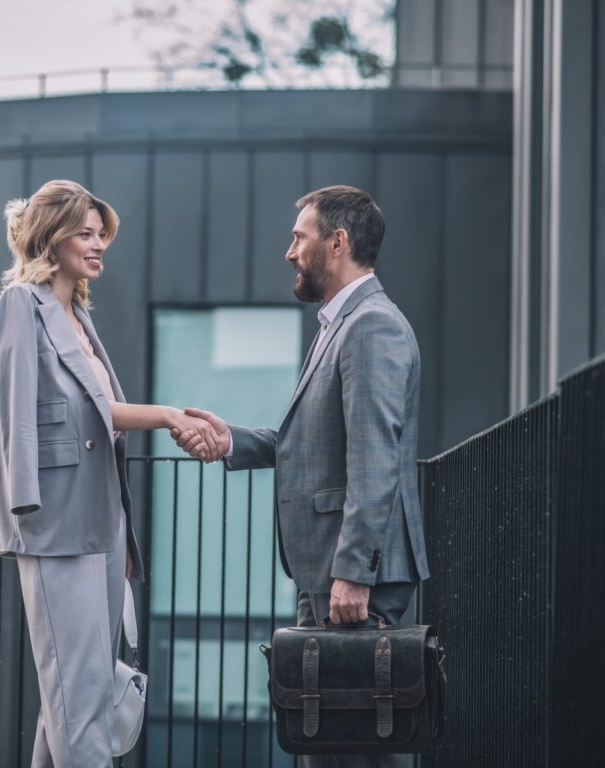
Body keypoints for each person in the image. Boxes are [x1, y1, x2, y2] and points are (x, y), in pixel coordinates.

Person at [176, 185, 430, 768]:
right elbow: (315, 443)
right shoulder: (340, 324)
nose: (289, 252)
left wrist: (352, 575)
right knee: (329, 748)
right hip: (331, 575)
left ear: (337, 243)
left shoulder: (371, 326)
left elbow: (375, 455)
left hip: (351, 582)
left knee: (355, 752)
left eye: (300, 238)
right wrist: (230, 439)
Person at [0, 180, 216, 767]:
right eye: (85, 234)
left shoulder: (78, 313)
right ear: (51, 235)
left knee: (77, 691)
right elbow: (15, 413)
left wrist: (168, 415)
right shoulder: (19, 305)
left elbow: (100, 411)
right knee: (77, 698)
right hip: (54, 520)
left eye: (100, 235)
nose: (97, 246)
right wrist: (25, 509)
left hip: (104, 520)